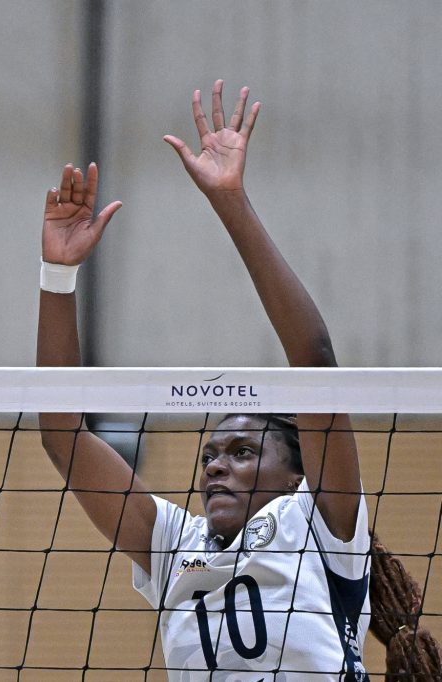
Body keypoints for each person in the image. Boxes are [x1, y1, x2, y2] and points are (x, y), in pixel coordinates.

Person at [36, 82, 439, 679]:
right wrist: (57, 275)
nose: (215, 466)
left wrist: (231, 202)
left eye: (243, 451)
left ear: (297, 473)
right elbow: (61, 435)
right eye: (211, 454)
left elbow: (315, 358)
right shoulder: (178, 544)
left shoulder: (321, 523)